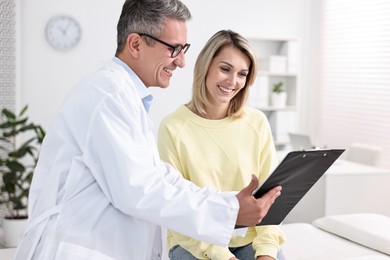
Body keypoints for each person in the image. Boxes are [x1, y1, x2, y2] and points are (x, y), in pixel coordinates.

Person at [13, 1, 282, 260]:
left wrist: (230, 202)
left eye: (184, 49)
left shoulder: (126, 99)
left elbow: (164, 179)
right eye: (173, 49)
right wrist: (230, 212)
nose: (181, 62)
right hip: (75, 248)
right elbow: (140, 190)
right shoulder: (107, 95)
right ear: (135, 44)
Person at [157, 30, 286, 260]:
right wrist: (222, 256)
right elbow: (177, 211)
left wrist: (267, 252)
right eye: (225, 69)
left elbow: (272, 200)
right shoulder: (172, 128)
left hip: (249, 241)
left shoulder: (256, 123)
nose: (233, 81)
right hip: (195, 244)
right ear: (205, 67)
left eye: (242, 74)